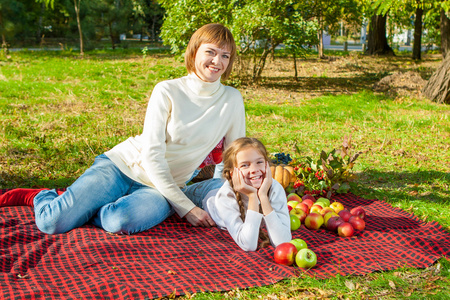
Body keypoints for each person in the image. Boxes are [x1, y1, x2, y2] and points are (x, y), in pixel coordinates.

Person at [0, 23, 246, 235]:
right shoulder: (168, 90)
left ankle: (89, 207)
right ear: (194, 53)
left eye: (225, 55)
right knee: (52, 222)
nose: (217, 61)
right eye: (210, 52)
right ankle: (43, 196)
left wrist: (233, 199)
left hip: (161, 187)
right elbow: (152, 155)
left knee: (119, 221)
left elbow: (234, 156)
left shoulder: (232, 99)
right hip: (122, 167)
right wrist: (186, 207)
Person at [202, 137, 291, 251]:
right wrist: (253, 196)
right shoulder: (225, 196)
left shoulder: (275, 188)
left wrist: (263, 196)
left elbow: (283, 243)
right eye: (245, 165)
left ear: (267, 165)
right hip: (205, 197)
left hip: (220, 186)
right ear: (233, 172)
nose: (254, 169)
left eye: (259, 162)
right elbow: (248, 245)